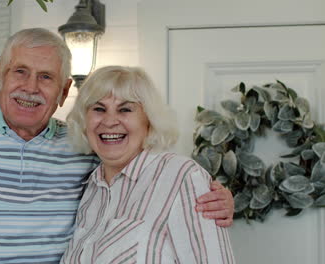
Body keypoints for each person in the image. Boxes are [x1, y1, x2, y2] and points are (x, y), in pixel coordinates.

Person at [0, 28, 233, 264]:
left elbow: (139, 172)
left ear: (65, 91)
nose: (31, 88)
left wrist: (213, 196)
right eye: (19, 71)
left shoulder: (80, 147)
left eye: (46, 77)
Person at [61, 65, 235, 263]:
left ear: (149, 120)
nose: (109, 121)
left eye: (125, 109)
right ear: (84, 120)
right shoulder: (91, 189)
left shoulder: (181, 176)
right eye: (99, 109)